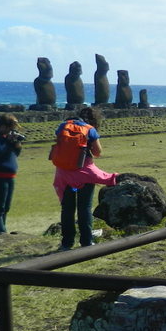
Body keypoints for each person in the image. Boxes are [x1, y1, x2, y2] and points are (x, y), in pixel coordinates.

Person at [53, 107, 118, 250]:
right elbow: (98, 152)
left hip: (63, 174)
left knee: (67, 209)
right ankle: (86, 241)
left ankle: (66, 242)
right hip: (84, 173)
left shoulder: (63, 126)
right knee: (84, 208)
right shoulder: (90, 130)